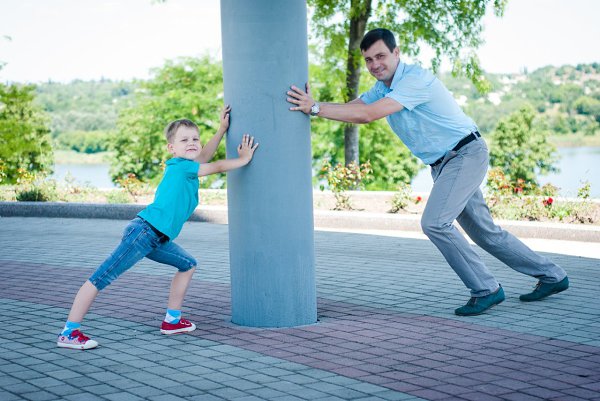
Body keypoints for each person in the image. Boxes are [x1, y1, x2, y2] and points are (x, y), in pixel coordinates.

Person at [287, 28, 568, 316]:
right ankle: (553, 276)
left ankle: (486, 289)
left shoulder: (414, 80)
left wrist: (315, 108)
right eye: (369, 60)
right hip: (445, 163)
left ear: (396, 53)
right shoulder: (382, 88)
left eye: (381, 56)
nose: (375, 65)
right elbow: (355, 108)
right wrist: (314, 106)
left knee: (435, 223)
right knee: (485, 233)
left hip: (465, 154)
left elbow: (367, 115)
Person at [57, 107, 259, 349]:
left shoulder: (186, 168)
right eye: (184, 140)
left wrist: (221, 129)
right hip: (143, 234)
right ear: (171, 148)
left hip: (157, 237)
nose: (192, 143)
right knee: (101, 277)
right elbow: (215, 166)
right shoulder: (182, 167)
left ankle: (172, 321)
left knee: (188, 264)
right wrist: (243, 160)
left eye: (195, 139)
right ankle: (69, 333)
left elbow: (204, 157)